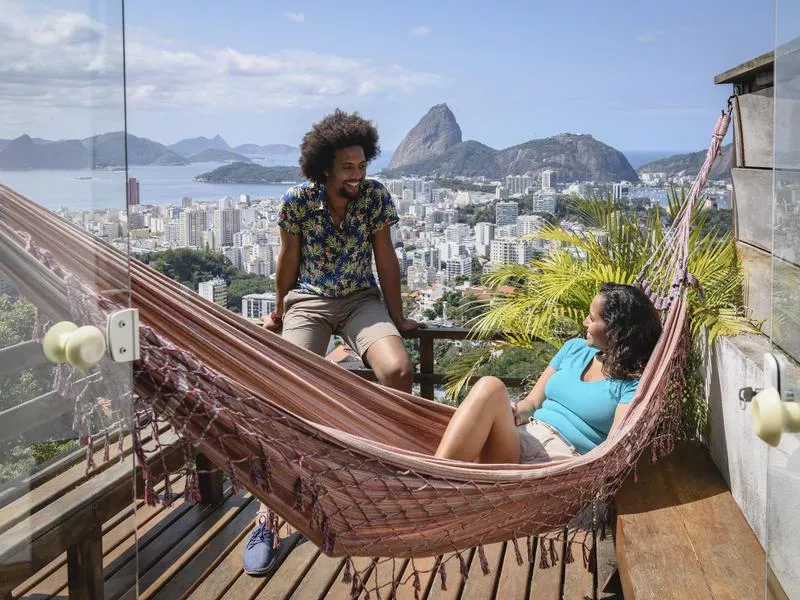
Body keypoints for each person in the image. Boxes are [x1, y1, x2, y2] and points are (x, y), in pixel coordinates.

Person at [243, 109, 422, 576]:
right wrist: (280, 312)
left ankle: (386, 471)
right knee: (287, 388)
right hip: (310, 300)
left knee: (398, 370)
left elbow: (385, 258)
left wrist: (398, 316)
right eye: (348, 167)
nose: (358, 175)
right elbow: (288, 259)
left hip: (361, 299)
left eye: (362, 166)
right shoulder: (297, 202)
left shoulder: (375, 198)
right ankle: (269, 512)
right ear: (324, 167)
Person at [434, 283, 662, 464]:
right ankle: (436, 477)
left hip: (555, 465)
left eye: (592, 318)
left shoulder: (633, 385)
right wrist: (514, 411)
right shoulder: (574, 348)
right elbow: (532, 402)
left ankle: (436, 482)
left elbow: (614, 446)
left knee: (490, 386)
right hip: (524, 437)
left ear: (616, 330)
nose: (584, 322)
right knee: (490, 386)